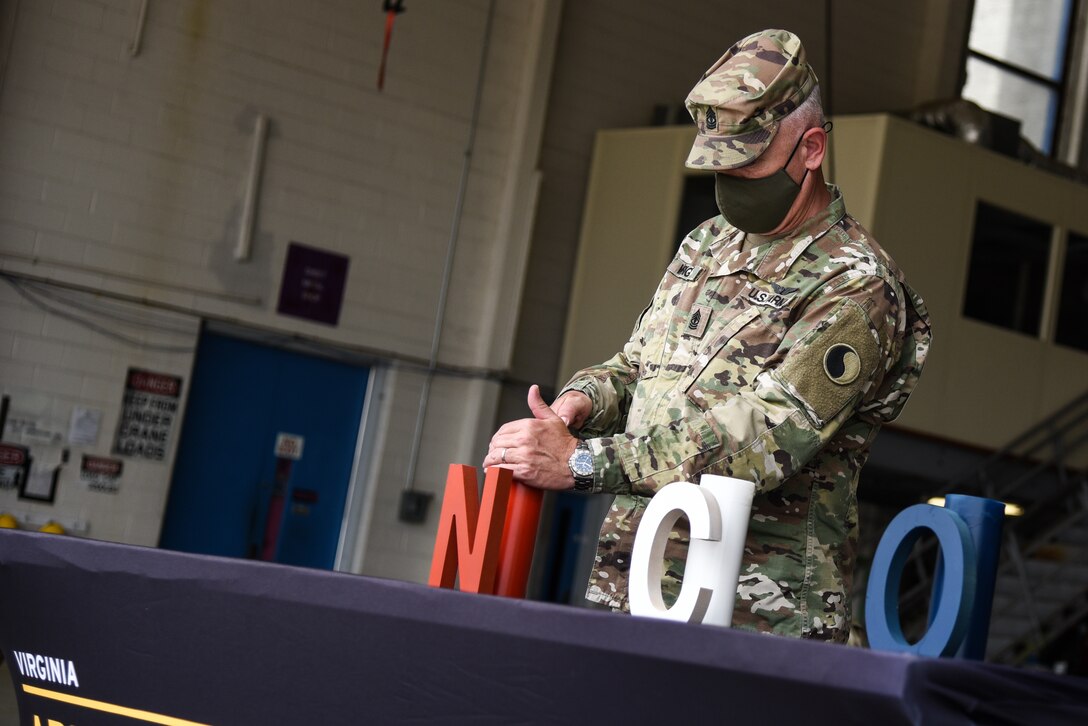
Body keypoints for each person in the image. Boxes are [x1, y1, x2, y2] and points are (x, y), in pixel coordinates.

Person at [484, 28, 930, 643]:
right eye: (719, 166)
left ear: (812, 148)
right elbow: (639, 367)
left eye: (747, 164)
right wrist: (579, 403)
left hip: (758, 612)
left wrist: (584, 462)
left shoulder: (858, 286)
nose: (730, 185)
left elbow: (766, 435)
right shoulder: (707, 245)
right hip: (638, 582)